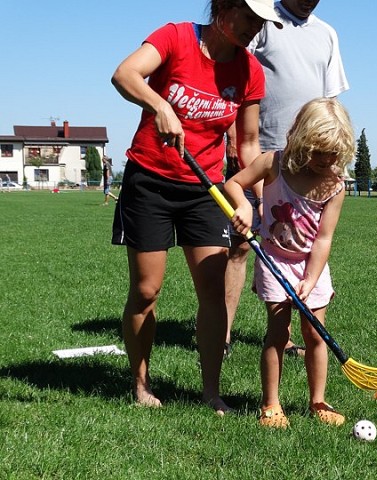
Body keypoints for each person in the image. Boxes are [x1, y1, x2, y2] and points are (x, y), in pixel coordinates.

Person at [110, 0, 282, 411]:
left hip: (205, 190)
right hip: (150, 181)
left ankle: (210, 391)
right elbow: (124, 74)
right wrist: (160, 105)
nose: (254, 29)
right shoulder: (175, 37)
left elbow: (247, 143)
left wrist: (255, 204)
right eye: (248, 17)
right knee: (147, 290)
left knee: (212, 291)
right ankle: (141, 385)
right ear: (223, 7)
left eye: (261, 22)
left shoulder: (249, 71)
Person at [224, 0, 349, 358]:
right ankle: (224, 332)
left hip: (311, 163)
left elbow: (331, 101)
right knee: (242, 244)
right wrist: (234, 137)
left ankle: (286, 334)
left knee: (297, 243)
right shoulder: (264, 20)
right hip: (261, 152)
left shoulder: (326, 34)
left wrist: (330, 150)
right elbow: (235, 74)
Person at [224, 97, 356, 428]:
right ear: (301, 139)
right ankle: (271, 404)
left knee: (315, 333)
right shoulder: (273, 163)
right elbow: (233, 184)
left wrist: (311, 280)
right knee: (278, 333)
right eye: (318, 152)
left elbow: (323, 239)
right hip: (274, 260)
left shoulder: (334, 184)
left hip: (311, 264)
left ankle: (318, 402)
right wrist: (244, 206)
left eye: (333, 155)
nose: (326, 161)